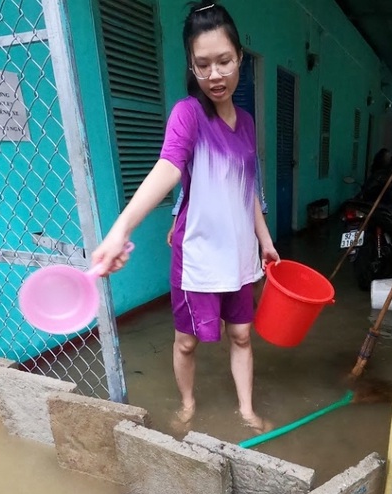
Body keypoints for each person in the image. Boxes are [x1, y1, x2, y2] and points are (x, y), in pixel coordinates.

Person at [92, 0, 279, 432]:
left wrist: (265, 241)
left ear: (240, 59)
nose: (215, 75)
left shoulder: (247, 123)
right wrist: (121, 229)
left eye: (224, 61)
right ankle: (189, 404)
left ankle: (246, 410)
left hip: (239, 254)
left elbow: (248, 189)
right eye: (203, 64)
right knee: (187, 341)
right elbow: (168, 167)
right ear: (191, 67)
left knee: (241, 335)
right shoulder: (188, 114)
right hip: (197, 255)